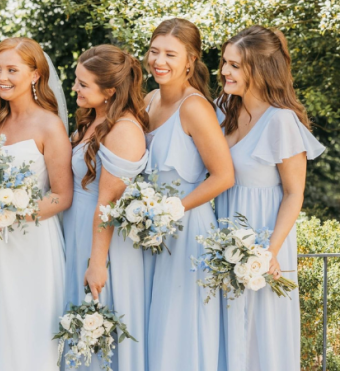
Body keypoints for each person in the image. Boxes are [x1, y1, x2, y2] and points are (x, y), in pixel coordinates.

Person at [215, 25, 325, 371]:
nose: (224, 72)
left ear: (259, 69)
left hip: (264, 241)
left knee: (260, 334)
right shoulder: (223, 111)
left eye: (235, 65)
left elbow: (294, 194)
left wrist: (268, 253)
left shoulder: (281, 121)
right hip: (221, 240)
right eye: (224, 62)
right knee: (224, 331)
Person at [0, 37, 72, 371]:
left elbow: (61, 195)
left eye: (12, 69)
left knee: (31, 332)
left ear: (34, 75)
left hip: (32, 245)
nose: (2, 76)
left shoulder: (49, 125)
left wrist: (10, 214)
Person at [142, 18, 235, 371]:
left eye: (170, 54)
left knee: (178, 327)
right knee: (154, 324)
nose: (158, 61)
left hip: (187, 229)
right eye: (154, 51)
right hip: (151, 230)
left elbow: (224, 175)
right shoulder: (150, 100)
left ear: (190, 60)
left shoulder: (194, 107)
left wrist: (171, 209)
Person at [68, 44, 149, 371]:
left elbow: (109, 204)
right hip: (78, 233)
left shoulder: (124, 131)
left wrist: (97, 264)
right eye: (76, 80)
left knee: (98, 335)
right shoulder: (94, 119)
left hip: (103, 247)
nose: (75, 88)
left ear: (110, 91)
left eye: (83, 84)